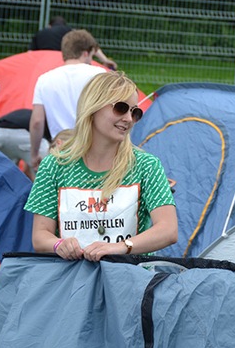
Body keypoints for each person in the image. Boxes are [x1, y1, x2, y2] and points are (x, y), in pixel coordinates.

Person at [24, 71, 178, 261]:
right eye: (121, 108)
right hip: (70, 279)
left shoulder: (147, 165)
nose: (129, 119)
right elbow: (40, 236)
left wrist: (121, 247)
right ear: (93, 108)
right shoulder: (55, 165)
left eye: (134, 112)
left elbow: (168, 230)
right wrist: (58, 245)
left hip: (129, 279)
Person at [29, 29, 107, 171]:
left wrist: (34, 154)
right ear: (85, 53)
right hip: (92, 147)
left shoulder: (44, 79)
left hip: (60, 149)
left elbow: (37, 122)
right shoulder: (100, 75)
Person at [29, 16, 118, 70]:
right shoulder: (69, 31)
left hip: (42, 62)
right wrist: (105, 60)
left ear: (49, 26)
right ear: (64, 25)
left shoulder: (40, 33)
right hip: (60, 61)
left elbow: (30, 54)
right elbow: (90, 44)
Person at [0, 108, 49, 181]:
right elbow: (36, 128)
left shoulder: (32, 113)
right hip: (22, 133)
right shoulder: (47, 123)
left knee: (6, 177)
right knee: (46, 169)